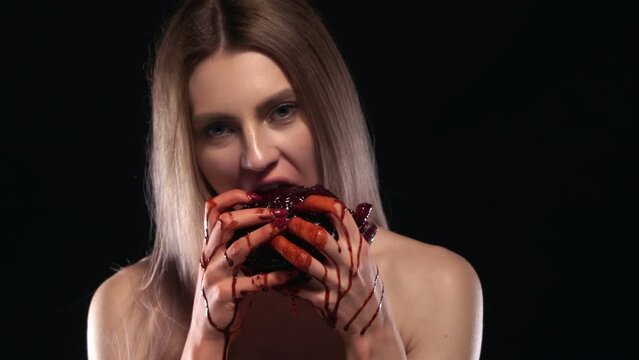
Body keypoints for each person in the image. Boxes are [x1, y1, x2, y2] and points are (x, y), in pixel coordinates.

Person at [86, 0, 483, 358]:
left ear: (330, 112)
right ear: (187, 151)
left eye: (282, 111)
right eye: (219, 129)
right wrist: (204, 344)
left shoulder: (438, 285)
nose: (256, 158)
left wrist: (373, 339)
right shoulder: (126, 308)